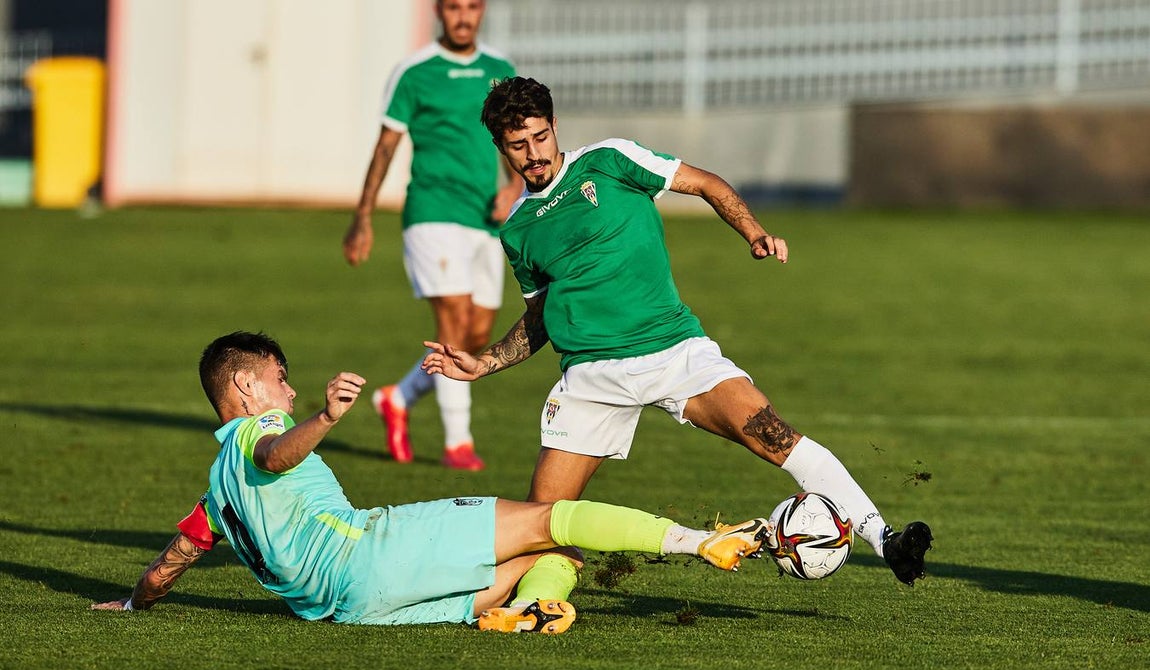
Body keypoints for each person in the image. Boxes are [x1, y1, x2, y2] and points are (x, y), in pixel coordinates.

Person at [422, 77, 933, 585]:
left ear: (554, 125)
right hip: (591, 377)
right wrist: (485, 362)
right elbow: (539, 318)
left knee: (775, 436)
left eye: (539, 137)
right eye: (517, 145)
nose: (532, 153)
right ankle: (523, 601)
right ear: (500, 147)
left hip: (674, 352)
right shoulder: (518, 227)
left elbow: (706, 183)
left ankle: (883, 538)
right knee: (542, 522)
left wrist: (753, 232)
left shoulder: (609, 160)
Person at [90, 332, 774, 633]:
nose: (289, 389)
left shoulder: (215, 494)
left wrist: (131, 604)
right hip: (373, 551)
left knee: (554, 559)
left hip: (354, 609)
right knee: (547, 515)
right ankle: (699, 541)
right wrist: (326, 417)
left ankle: (538, 610)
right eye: (278, 376)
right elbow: (274, 454)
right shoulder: (250, 437)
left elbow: (168, 566)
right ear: (243, 384)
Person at [342, 0, 521, 471]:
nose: (464, 16)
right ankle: (458, 442)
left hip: (485, 218)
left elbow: (513, 140)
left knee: (477, 337)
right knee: (454, 321)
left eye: (473, 7)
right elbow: (385, 148)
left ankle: (397, 398)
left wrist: (515, 186)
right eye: (454, 7)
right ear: (439, 12)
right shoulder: (414, 72)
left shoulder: (499, 69)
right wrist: (363, 216)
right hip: (432, 213)